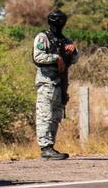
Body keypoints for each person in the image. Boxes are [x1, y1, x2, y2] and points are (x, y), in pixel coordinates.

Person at [33, 10, 78, 160]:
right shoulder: (43, 37)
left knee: (56, 116)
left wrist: (72, 51)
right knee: (45, 114)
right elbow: (37, 56)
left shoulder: (65, 40)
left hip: (61, 83)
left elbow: (74, 59)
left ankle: (50, 146)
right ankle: (45, 147)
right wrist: (55, 57)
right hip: (47, 82)